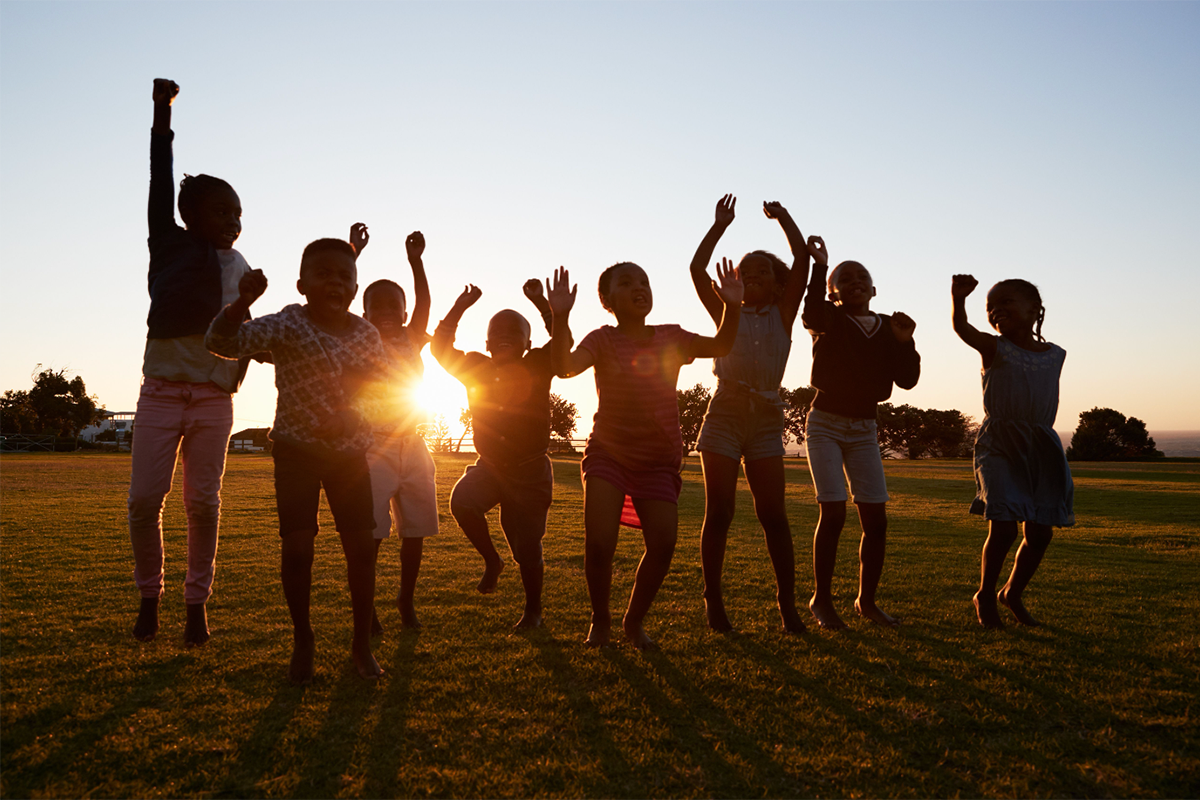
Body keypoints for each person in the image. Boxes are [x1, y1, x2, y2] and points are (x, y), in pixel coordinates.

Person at [205, 238, 386, 683]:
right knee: (298, 548)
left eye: (344, 275)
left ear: (356, 286)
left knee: (361, 549)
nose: (335, 282)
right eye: (323, 273)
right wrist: (240, 303)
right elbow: (220, 343)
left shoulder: (366, 334)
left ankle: (361, 644)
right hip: (297, 452)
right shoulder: (288, 323)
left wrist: (354, 413)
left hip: (349, 457)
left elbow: (385, 389)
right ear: (302, 284)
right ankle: (303, 639)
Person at [548, 261, 743, 650]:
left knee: (663, 544)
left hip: (658, 459)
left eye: (644, 281)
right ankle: (599, 621)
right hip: (608, 454)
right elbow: (564, 367)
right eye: (626, 283)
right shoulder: (601, 339)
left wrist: (732, 306)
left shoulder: (672, 337)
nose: (639, 287)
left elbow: (721, 345)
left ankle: (633, 622)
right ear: (606, 300)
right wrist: (559, 317)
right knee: (600, 544)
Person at [129, 78, 255, 646]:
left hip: (211, 397)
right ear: (191, 215)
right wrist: (162, 112)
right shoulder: (168, 241)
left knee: (203, 503)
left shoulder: (240, 264)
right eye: (222, 210)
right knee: (143, 503)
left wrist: (248, 304)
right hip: (159, 391)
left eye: (239, 212)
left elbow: (245, 335)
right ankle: (149, 597)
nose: (233, 219)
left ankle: (196, 605)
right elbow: (160, 174)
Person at [689, 195, 810, 634]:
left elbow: (801, 260)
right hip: (724, 412)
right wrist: (719, 225)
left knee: (772, 514)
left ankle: (787, 605)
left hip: (766, 418)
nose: (752, 275)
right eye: (746, 270)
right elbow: (697, 270)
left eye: (763, 271)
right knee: (719, 512)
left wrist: (785, 218)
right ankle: (714, 603)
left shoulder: (784, 312)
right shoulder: (727, 311)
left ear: (778, 285)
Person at [801, 236, 920, 630]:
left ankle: (866, 602)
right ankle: (822, 599)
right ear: (834, 292)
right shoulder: (829, 319)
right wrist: (820, 265)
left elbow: (907, 380)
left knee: (876, 520)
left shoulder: (890, 327)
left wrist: (907, 343)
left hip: (865, 427)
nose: (854, 281)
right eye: (844, 278)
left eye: (862, 277)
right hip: (826, 424)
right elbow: (812, 311)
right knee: (833, 513)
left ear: (873, 289)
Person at [430, 279, 562, 629]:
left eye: (514, 332)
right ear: (486, 344)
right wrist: (460, 306)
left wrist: (543, 306)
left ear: (528, 343)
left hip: (531, 472)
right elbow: (439, 348)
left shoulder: (538, 363)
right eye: (497, 332)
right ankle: (492, 561)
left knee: (527, 548)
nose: (505, 335)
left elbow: (564, 345)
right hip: (491, 468)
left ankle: (533, 610)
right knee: (462, 502)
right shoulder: (476, 367)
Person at [951, 274, 1074, 628]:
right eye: (991, 306)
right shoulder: (994, 348)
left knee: (1040, 532)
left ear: (1035, 310)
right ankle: (985, 594)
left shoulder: (1056, 355)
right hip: (1000, 444)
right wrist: (959, 300)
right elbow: (964, 330)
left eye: (1007, 302)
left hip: (1041, 447)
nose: (997, 310)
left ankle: (1012, 593)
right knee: (1003, 526)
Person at [355, 225, 437, 633]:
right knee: (370, 531)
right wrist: (352, 253)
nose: (387, 310)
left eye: (394, 305)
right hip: (374, 448)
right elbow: (340, 302)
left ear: (404, 313)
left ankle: (406, 600)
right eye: (377, 305)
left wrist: (416, 261)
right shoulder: (360, 339)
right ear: (365, 314)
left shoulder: (411, 337)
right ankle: (367, 608)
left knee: (416, 529)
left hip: (413, 445)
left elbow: (424, 300)